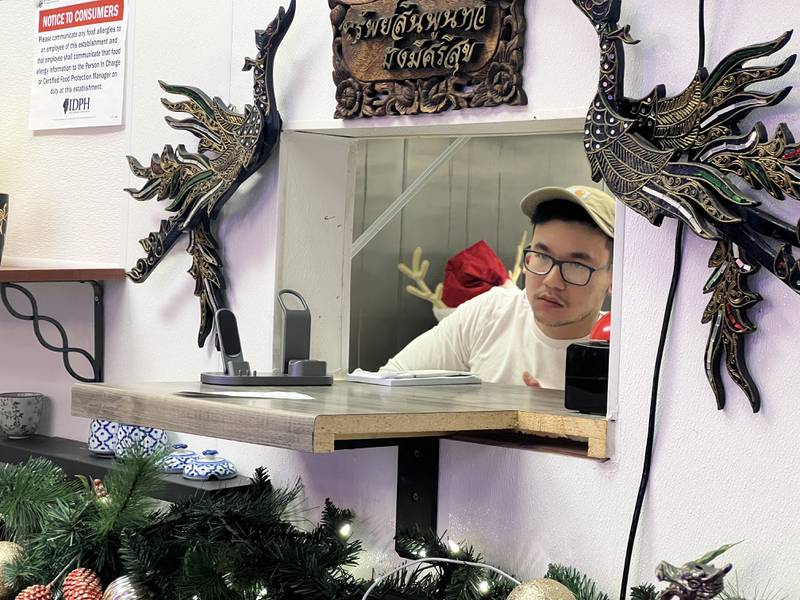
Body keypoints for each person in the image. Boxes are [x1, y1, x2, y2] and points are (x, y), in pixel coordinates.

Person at [380, 185, 615, 389]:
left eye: (575, 265)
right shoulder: (490, 314)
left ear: (615, 279)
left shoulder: (621, 354)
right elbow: (387, 381)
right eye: (541, 256)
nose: (552, 280)